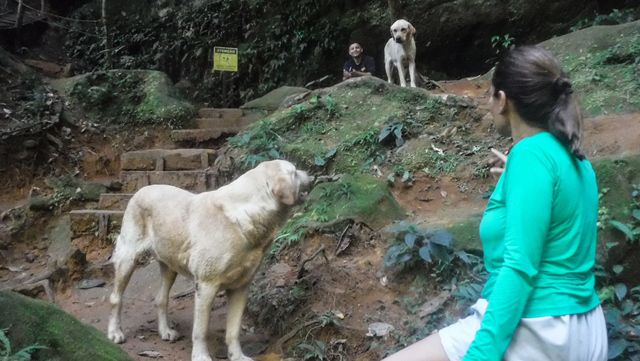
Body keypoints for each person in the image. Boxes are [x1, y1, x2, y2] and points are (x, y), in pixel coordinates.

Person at [382, 45, 608, 361]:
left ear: (503, 101)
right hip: (585, 328)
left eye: (490, 95)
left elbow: (520, 265)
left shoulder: (531, 156)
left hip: (538, 327)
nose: (488, 104)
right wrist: (516, 180)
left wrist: (482, 355)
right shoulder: (575, 160)